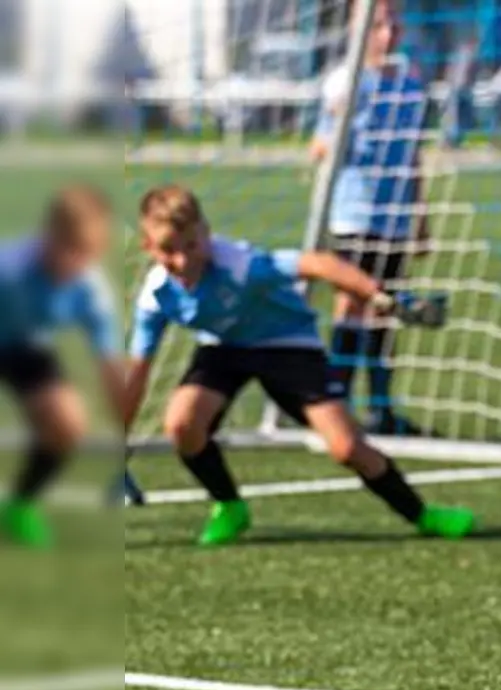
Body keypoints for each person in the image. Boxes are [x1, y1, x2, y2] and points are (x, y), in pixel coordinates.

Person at [124, 185, 476, 547]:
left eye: (191, 246)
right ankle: (229, 506)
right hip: (224, 347)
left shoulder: (242, 266)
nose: (182, 261)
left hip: (287, 344)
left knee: (346, 448)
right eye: (168, 250)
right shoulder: (155, 296)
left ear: (206, 233)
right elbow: (138, 371)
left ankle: (423, 514)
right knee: (182, 424)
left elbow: (319, 263)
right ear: (147, 247)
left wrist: (382, 297)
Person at [311, 0, 431, 436]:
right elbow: (318, 149)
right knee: (353, 304)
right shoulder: (345, 83)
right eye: (378, 25)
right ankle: (336, 404)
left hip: (395, 216)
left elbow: (413, 154)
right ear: (358, 30)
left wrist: (421, 214)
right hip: (354, 213)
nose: (388, 33)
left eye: (394, 23)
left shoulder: (411, 85)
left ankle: (381, 408)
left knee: (387, 310)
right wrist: (341, 127)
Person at [0, 186, 126, 548]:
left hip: (22, 347)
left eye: (87, 252)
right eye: (69, 248)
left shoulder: (91, 291)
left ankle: (21, 506)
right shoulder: (8, 271)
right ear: (48, 237)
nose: (76, 261)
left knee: (67, 422)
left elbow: (110, 369)